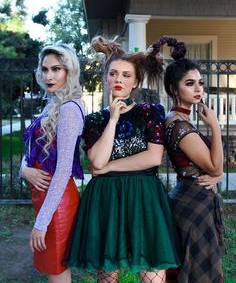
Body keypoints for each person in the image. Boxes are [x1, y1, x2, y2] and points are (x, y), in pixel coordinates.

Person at [67, 36, 180, 283]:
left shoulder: (150, 112)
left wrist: (109, 166)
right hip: (106, 199)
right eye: (114, 73)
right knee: (108, 277)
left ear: (136, 81)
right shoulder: (95, 120)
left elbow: (153, 157)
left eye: (126, 75)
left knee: (152, 275)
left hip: (143, 196)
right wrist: (114, 120)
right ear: (106, 78)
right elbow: (96, 161)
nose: (119, 79)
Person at [150, 36, 225, 282]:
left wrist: (217, 174)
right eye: (190, 84)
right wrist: (215, 126)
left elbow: (214, 169)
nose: (198, 90)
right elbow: (215, 166)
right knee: (196, 273)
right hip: (193, 204)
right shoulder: (179, 125)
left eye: (200, 84)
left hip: (193, 198)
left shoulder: (180, 119)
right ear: (174, 89)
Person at [20, 43, 85, 283]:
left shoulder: (69, 108)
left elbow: (64, 169)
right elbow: (29, 152)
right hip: (45, 197)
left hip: (57, 203)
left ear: (69, 71)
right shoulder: (52, 104)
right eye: (45, 69)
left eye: (56, 69)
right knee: (53, 270)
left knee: (56, 270)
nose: (49, 76)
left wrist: (42, 222)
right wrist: (23, 170)